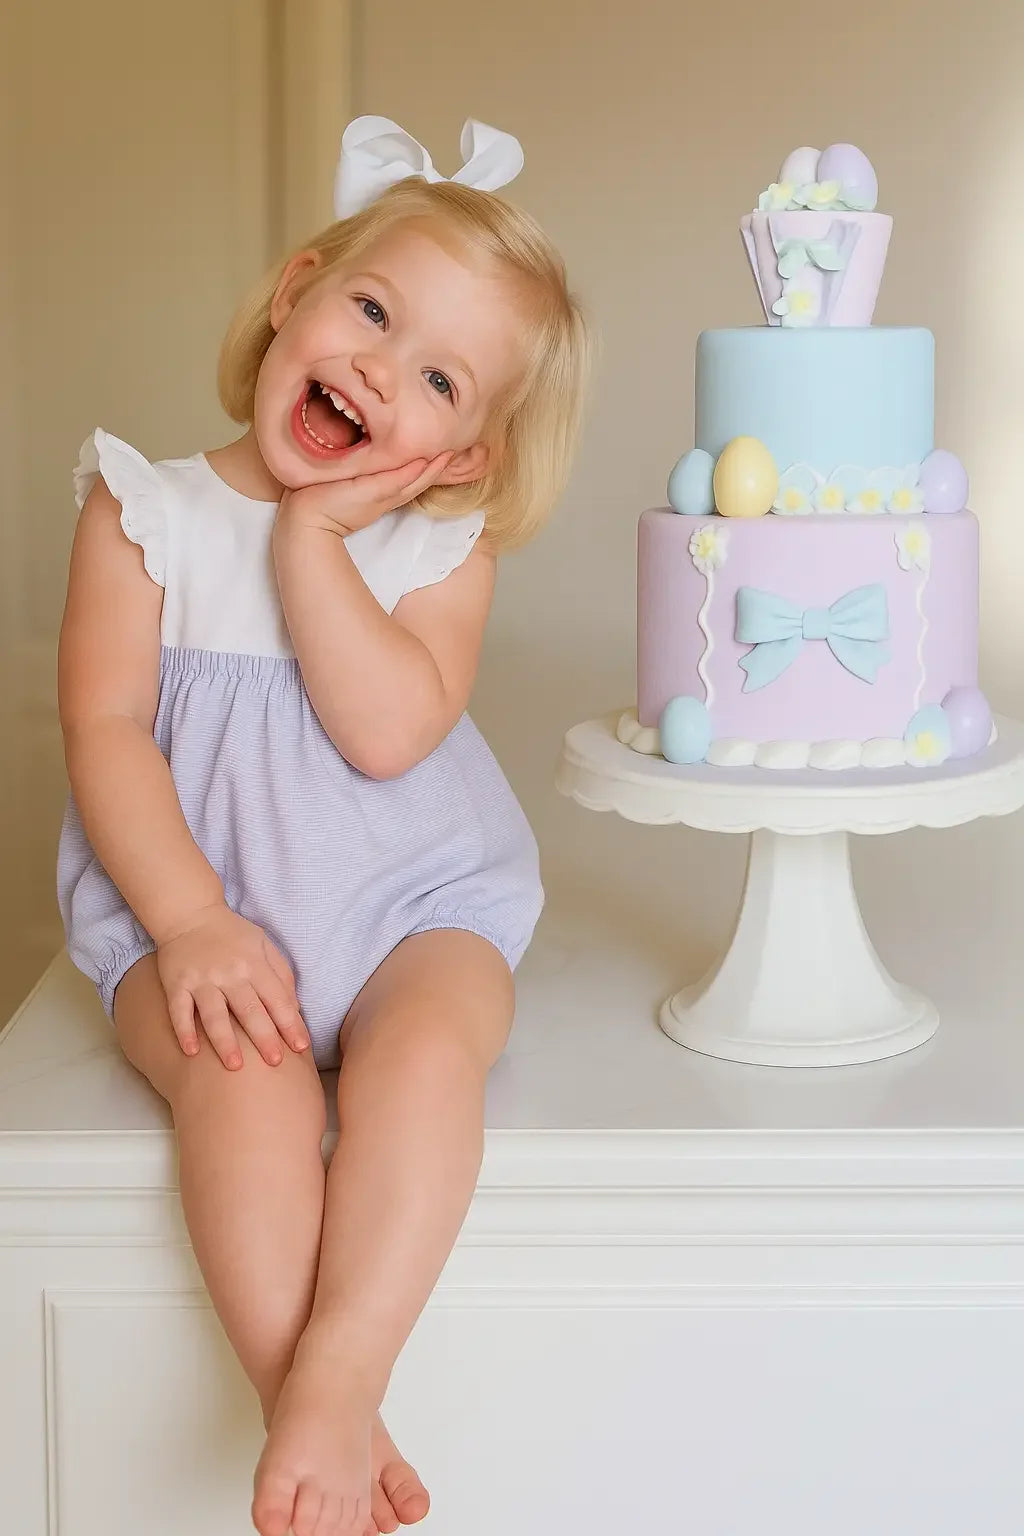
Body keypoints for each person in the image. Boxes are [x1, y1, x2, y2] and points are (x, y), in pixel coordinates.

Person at [56, 115, 588, 1536]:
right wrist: (192, 925)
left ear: (459, 457)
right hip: (200, 908)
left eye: (432, 377)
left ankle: (344, 1369)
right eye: (368, 309)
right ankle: (316, 1407)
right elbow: (105, 731)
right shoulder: (142, 510)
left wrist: (312, 541)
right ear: (295, 291)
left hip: (414, 906)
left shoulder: (435, 554)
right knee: (247, 1085)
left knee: (427, 1052)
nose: (372, 366)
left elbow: (386, 731)